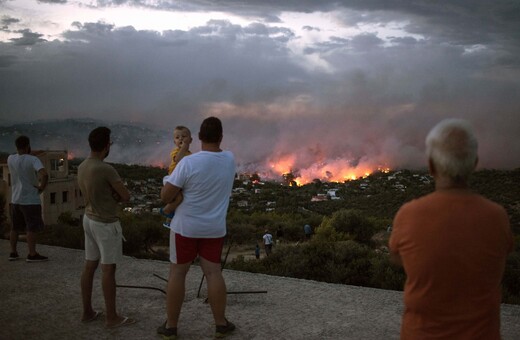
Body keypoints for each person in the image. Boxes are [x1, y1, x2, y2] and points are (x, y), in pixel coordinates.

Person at [389, 118, 514, 340]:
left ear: (430, 166)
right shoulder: (497, 217)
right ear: (475, 163)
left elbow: (399, 260)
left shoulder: (409, 215)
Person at [157, 117, 236, 339]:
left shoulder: (188, 163)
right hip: (214, 228)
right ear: (221, 137)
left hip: (185, 228)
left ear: (199, 137)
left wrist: (168, 179)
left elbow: (166, 195)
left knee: (177, 274)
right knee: (213, 273)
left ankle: (171, 327)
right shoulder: (229, 159)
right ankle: (221, 324)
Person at [77, 127, 136, 328]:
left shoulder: (82, 166)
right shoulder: (105, 168)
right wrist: (115, 194)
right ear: (106, 145)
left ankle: (87, 312)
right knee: (108, 270)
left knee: (89, 265)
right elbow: (126, 195)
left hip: (89, 218)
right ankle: (112, 317)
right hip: (105, 223)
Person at [7, 135, 49, 262]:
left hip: (15, 199)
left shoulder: (10, 158)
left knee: (15, 228)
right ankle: (32, 254)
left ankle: (13, 252)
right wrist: (41, 187)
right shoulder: (33, 159)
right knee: (31, 227)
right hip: (30, 199)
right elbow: (44, 174)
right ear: (27, 146)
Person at [160, 126, 192, 228]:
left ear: (190, 140)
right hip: (172, 179)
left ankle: (169, 220)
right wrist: (183, 148)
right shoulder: (176, 151)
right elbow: (178, 160)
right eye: (178, 138)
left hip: (181, 180)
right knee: (178, 198)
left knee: (181, 200)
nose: (181, 139)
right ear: (174, 142)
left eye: (184, 136)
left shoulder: (190, 154)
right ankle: (166, 210)